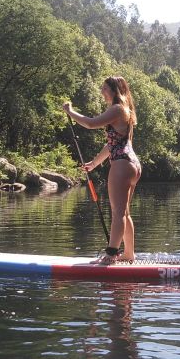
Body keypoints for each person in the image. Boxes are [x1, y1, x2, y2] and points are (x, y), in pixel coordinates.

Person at [64, 76, 142, 264]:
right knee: (125, 213)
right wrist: (94, 163)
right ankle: (128, 254)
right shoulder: (126, 111)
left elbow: (90, 123)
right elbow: (113, 144)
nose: (102, 92)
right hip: (132, 164)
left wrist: (70, 111)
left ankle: (111, 255)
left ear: (115, 91)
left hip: (122, 164)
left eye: (105, 88)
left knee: (117, 212)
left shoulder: (117, 109)